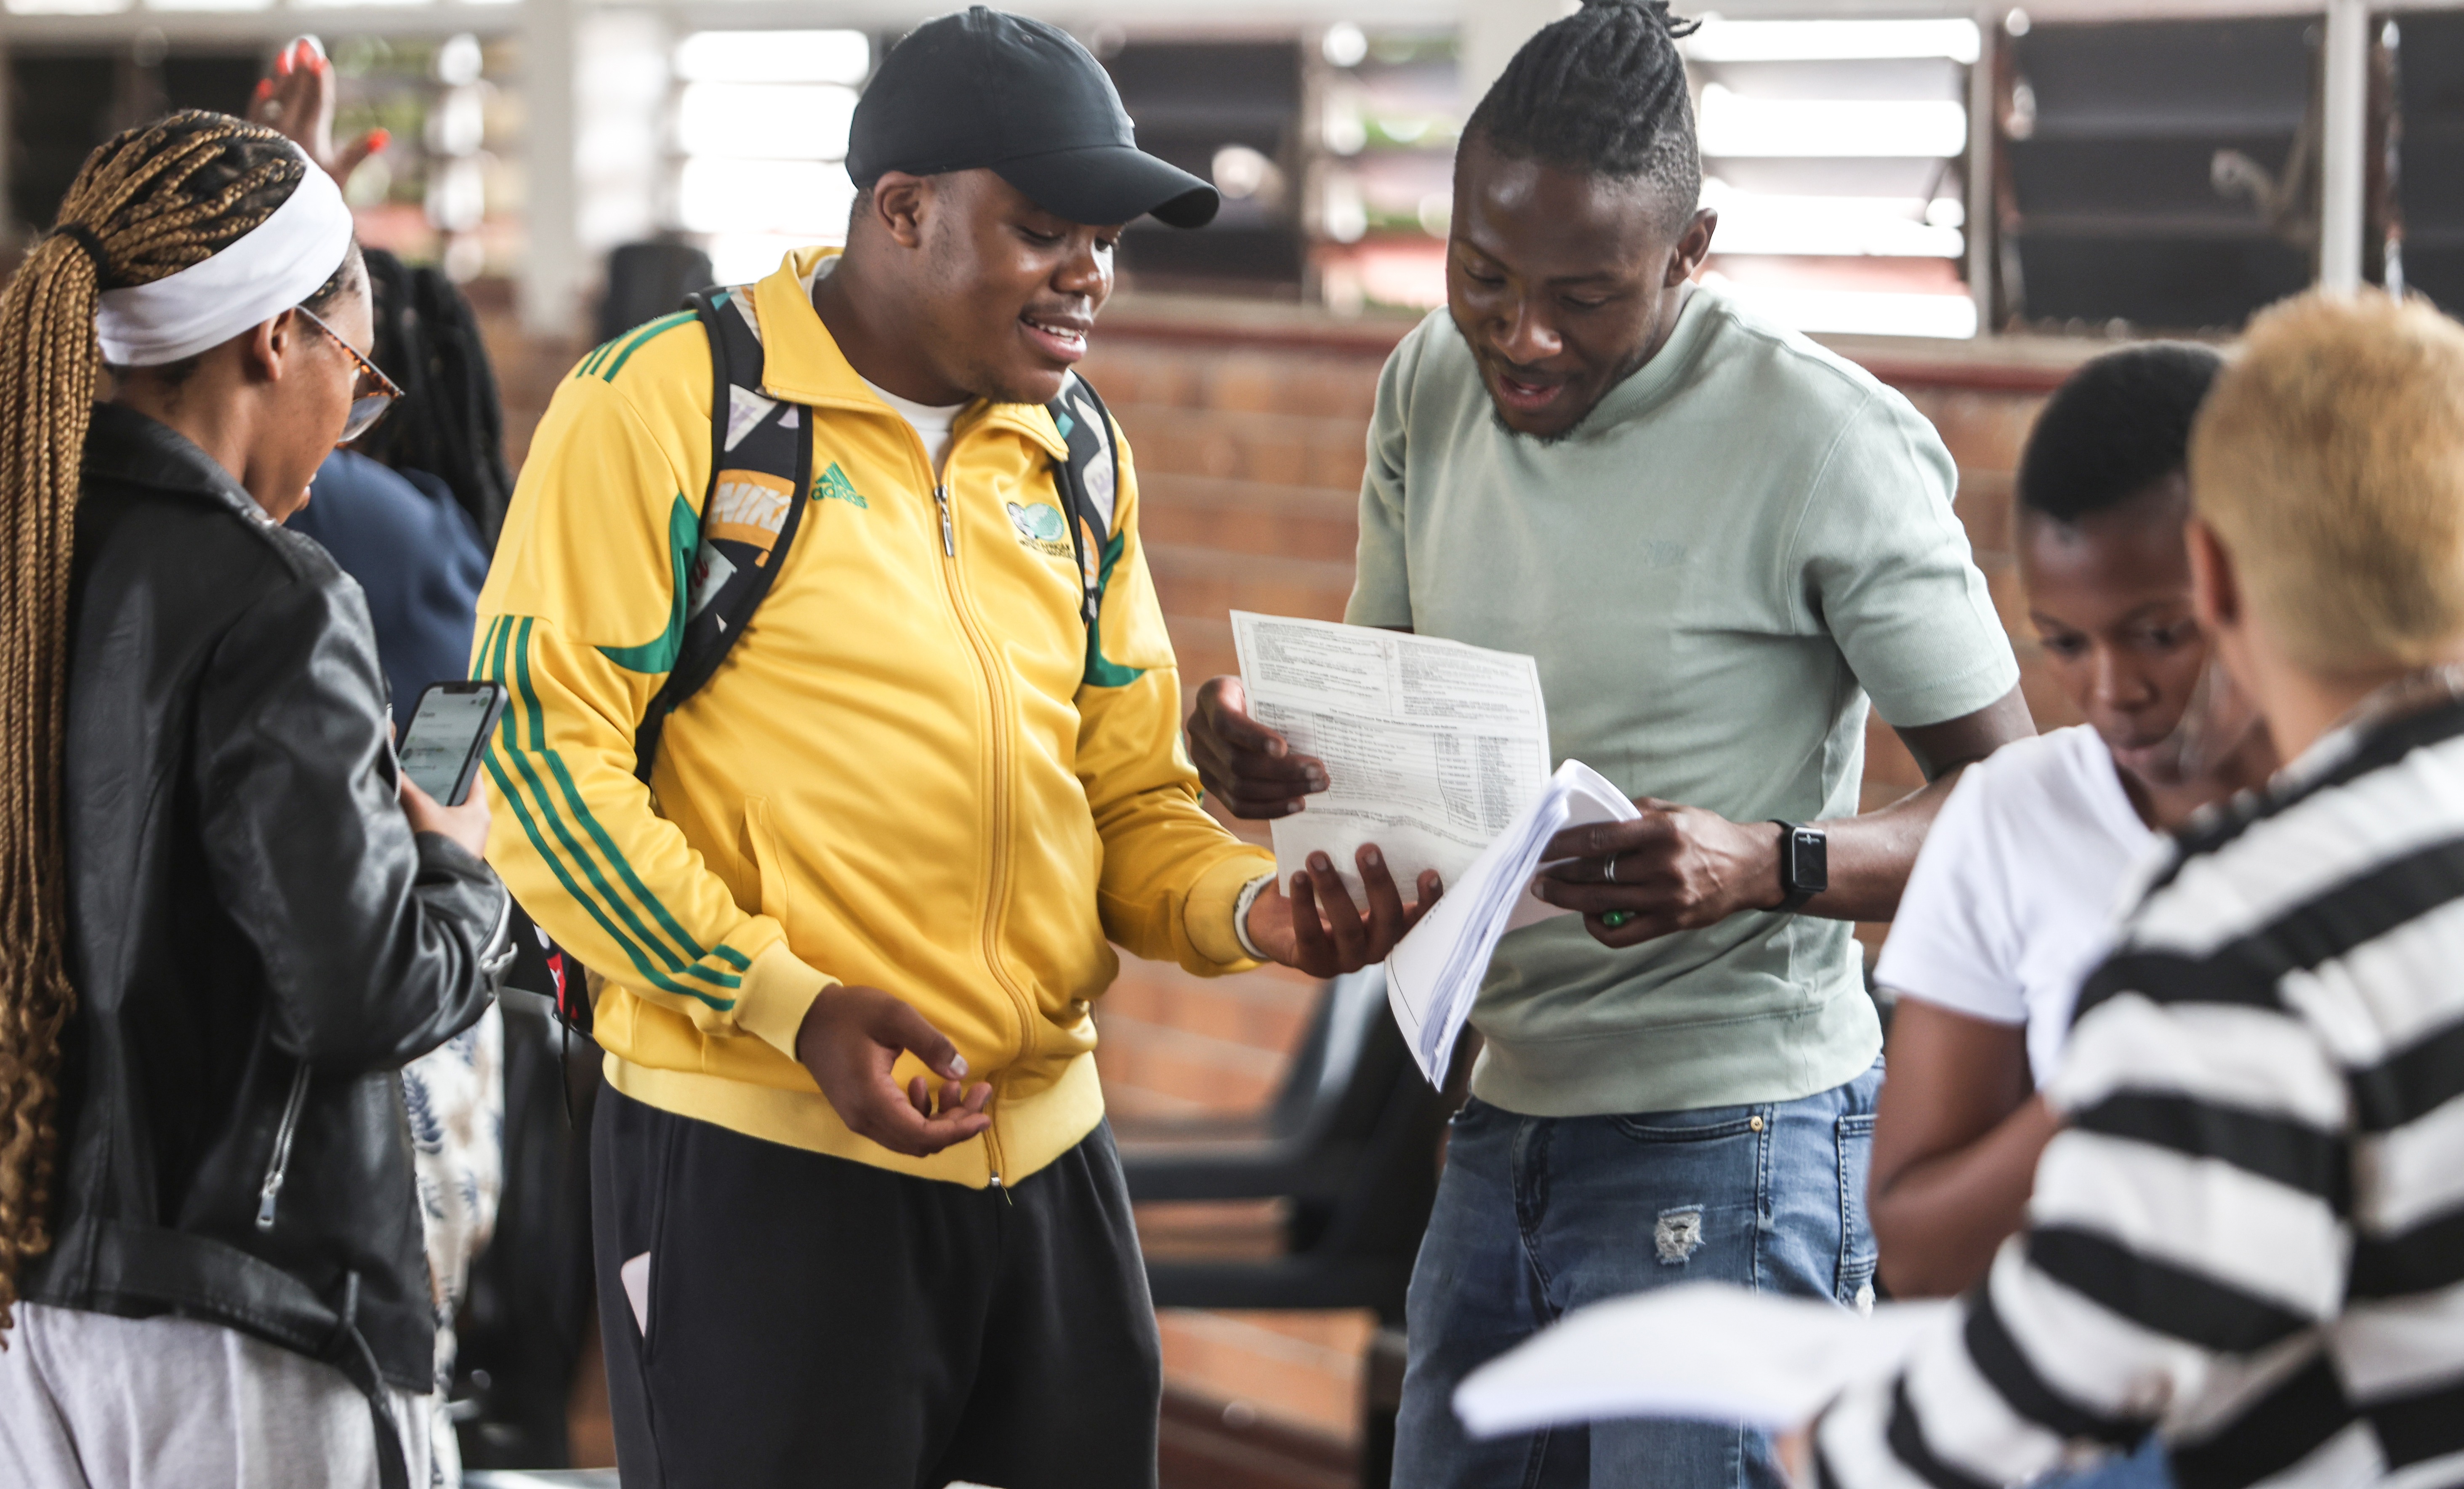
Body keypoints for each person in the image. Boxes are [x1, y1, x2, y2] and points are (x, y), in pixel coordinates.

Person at [474, 10, 1438, 1487]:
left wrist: (1257, 911)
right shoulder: (670, 408)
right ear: (902, 212)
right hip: (763, 1159)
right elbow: (544, 778)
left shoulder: (1074, 448)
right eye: (1044, 229)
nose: (1089, 275)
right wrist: (787, 1004)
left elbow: (1127, 792)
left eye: (1104, 240)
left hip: (1050, 1158)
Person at [1185, 3, 2033, 1484]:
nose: (1525, 337)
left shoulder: (1825, 440)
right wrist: (1261, 756)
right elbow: (1374, 714)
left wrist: (1767, 859)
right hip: (1504, 1105)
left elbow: (2020, 804)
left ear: (1690, 248)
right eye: (1483, 276)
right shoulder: (1425, 387)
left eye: (1587, 295)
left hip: (1740, 1130)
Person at [1809, 289, 2464, 1489]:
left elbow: (2021, 1392)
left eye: (2159, 632)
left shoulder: (2232, 943)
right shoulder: (2409, 826)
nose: (2116, 689)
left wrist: (1849, 1443)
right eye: (2065, 641)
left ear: (2219, 570)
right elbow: (1917, 1238)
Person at [0, 112, 511, 1489]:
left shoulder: (25, 547)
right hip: (245, 1314)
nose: (352, 418)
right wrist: (460, 867)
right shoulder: (275, 601)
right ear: (273, 339)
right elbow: (355, 995)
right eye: (356, 366)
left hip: (28, 1299)